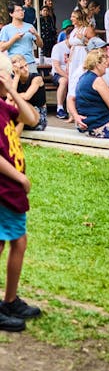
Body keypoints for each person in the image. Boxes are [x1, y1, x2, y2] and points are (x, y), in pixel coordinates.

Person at [0, 58, 42, 332]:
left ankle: (10, 300)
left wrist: (13, 91)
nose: (9, 75)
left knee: (19, 241)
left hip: (10, 189)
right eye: (5, 72)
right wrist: (19, 177)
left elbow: (32, 118)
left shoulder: (4, 107)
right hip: (4, 186)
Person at [75, 48, 109, 138]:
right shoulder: (97, 80)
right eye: (104, 64)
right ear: (97, 64)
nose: (106, 67)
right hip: (100, 124)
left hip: (89, 124)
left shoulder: (83, 78)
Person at [0, 2, 43, 72]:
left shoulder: (30, 26)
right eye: (18, 11)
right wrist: (14, 39)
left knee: (38, 80)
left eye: (22, 10)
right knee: (15, 82)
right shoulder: (6, 29)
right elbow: (1, 48)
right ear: (11, 14)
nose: (21, 12)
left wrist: (36, 35)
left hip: (30, 62)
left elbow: (41, 45)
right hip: (14, 63)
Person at [11, 56, 47, 132]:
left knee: (18, 103)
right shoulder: (14, 79)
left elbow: (27, 96)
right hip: (23, 117)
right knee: (10, 102)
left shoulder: (36, 78)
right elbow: (9, 97)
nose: (26, 69)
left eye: (26, 65)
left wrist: (15, 96)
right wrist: (17, 76)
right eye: (21, 68)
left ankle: (16, 136)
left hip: (38, 118)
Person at [67, 9, 96, 98]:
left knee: (82, 75)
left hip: (83, 54)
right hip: (73, 56)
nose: (71, 19)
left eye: (73, 17)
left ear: (79, 18)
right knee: (72, 77)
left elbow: (94, 44)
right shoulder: (74, 30)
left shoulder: (87, 29)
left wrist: (83, 39)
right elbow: (70, 44)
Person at [51, 25, 73, 119]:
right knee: (64, 81)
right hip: (58, 74)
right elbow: (56, 66)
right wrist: (68, 77)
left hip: (73, 74)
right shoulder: (58, 47)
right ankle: (60, 108)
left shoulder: (78, 47)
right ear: (68, 37)